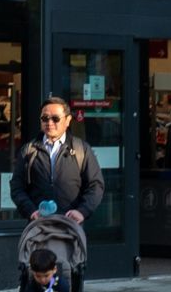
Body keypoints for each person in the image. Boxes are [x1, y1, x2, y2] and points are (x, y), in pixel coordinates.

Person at [9, 96, 104, 226]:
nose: (49, 123)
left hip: (70, 226)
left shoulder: (81, 149)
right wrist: (31, 211)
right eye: (45, 118)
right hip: (39, 226)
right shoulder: (29, 150)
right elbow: (16, 187)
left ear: (68, 120)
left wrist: (82, 211)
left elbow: (96, 185)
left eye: (55, 118)